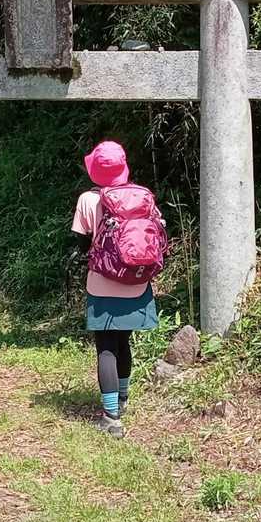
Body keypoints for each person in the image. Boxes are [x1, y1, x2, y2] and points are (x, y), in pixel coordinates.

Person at [71, 140, 161, 438]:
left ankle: (111, 417)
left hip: (102, 284)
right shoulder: (142, 196)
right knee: (124, 342)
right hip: (137, 282)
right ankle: (122, 400)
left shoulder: (88, 200)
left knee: (106, 348)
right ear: (124, 167)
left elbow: (82, 243)